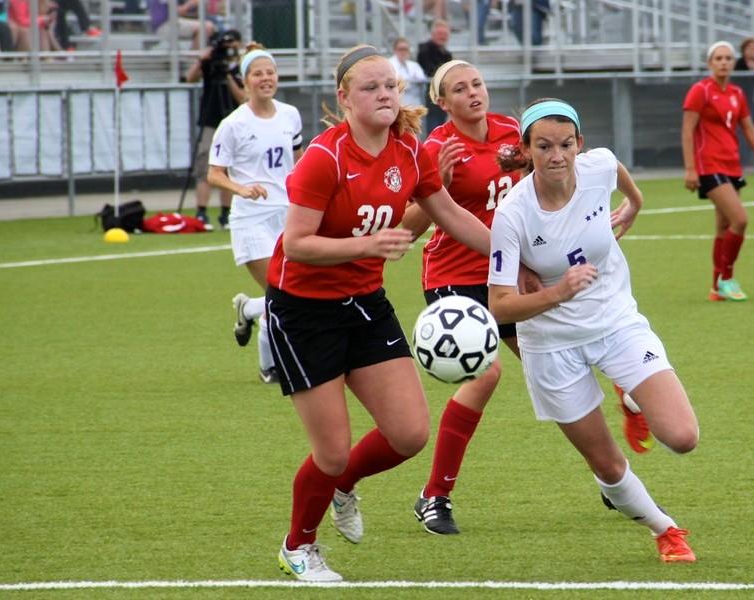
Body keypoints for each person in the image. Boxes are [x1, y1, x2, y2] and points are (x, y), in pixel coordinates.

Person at [266, 45, 492, 582]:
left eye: (391, 85)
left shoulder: (410, 151)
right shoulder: (325, 157)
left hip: (365, 305)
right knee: (332, 452)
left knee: (409, 433)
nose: (385, 94)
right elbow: (296, 245)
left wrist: (518, 263)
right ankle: (298, 546)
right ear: (344, 98)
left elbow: (451, 214)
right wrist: (365, 246)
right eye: (371, 87)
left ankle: (345, 488)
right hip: (303, 312)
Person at [488, 97, 699, 563]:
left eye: (565, 144)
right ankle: (665, 530)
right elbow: (500, 307)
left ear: (579, 144)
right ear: (526, 150)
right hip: (550, 346)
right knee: (604, 462)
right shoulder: (512, 214)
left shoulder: (598, 166)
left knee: (683, 437)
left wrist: (635, 205)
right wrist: (557, 293)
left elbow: (619, 173)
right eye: (543, 146)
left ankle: (630, 393)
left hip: (616, 322)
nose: (557, 155)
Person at [399, 59, 522, 535]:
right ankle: (435, 495)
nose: (473, 93)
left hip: (509, 273)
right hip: (454, 273)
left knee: (557, 368)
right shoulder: (433, 149)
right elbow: (409, 230)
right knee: (486, 372)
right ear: (442, 102)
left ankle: (610, 477)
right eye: (459, 88)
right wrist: (441, 187)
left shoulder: (513, 131)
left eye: (477, 83)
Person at [206, 43, 303, 384]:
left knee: (290, 294)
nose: (266, 78)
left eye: (270, 72)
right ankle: (269, 365)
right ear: (246, 82)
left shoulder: (290, 114)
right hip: (251, 218)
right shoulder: (233, 124)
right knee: (283, 294)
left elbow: (299, 161)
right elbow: (214, 173)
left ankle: (248, 309)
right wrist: (242, 189)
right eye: (258, 74)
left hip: (288, 216)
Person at [681, 40, 754, 302]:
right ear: (709, 63)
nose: (724, 62)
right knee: (740, 219)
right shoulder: (700, 91)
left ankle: (716, 288)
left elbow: (749, 130)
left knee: (724, 227)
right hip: (708, 166)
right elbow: (687, 130)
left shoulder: (736, 93)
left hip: (732, 165)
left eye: (727, 58)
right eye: (718, 58)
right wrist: (690, 169)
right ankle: (727, 278)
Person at [185, 28, 244, 229]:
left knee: (227, 169)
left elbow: (242, 98)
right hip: (210, 121)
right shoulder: (211, 64)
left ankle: (225, 214)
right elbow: (189, 78)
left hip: (233, 123)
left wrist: (228, 74)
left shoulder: (241, 69)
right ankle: (201, 211)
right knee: (205, 166)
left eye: (232, 43)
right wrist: (203, 59)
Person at [417, 19, 452, 134]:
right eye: (439, 34)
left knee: (442, 128)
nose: (442, 37)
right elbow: (430, 70)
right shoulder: (425, 50)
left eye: (445, 34)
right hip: (430, 97)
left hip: (443, 96)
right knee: (434, 130)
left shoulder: (447, 53)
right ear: (432, 34)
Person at [148, 0, 215, 49]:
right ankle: (193, 62)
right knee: (207, 27)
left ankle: (193, 61)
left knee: (209, 25)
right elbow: (178, 11)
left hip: (168, 23)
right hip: (164, 26)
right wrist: (192, 3)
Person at [387, 36, 427, 108]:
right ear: (395, 50)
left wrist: (407, 82)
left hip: (415, 103)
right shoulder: (388, 64)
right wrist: (411, 81)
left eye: (406, 49)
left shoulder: (414, 65)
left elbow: (422, 79)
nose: (403, 52)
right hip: (397, 104)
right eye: (400, 49)